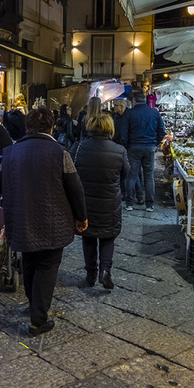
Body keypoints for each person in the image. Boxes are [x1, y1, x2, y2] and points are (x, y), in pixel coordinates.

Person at [0, 106, 87, 336]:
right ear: (51, 127)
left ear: (28, 126)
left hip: (21, 217)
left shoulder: (10, 152)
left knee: (29, 261)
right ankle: (38, 319)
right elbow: (75, 188)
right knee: (47, 266)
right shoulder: (59, 152)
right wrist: (81, 217)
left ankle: (33, 305)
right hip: (53, 221)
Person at [70, 112, 128, 289]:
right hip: (109, 202)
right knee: (108, 237)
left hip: (85, 201)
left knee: (88, 237)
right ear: (110, 129)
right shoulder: (119, 150)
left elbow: (70, 173)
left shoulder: (78, 147)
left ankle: (90, 275)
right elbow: (125, 174)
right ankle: (105, 271)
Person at [121, 92, 165, 212]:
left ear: (134, 101)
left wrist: (127, 146)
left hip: (134, 147)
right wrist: (155, 143)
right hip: (149, 147)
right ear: (145, 100)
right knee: (149, 177)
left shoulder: (129, 113)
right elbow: (162, 131)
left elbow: (123, 133)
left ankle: (130, 204)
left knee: (132, 175)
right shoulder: (154, 113)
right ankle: (149, 205)